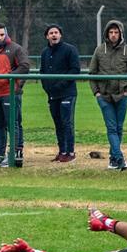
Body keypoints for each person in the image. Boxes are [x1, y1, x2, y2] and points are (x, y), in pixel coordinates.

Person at [88, 19, 127, 171]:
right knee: (111, 128)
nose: (114, 35)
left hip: (122, 96)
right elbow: (92, 73)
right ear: (106, 34)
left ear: (121, 33)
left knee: (118, 128)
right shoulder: (99, 50)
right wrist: (96, 93)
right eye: (111, 32)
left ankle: (113, 159)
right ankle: (119, 159)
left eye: (116, 32)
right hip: (104, 97)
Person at [0, 25, 30, 168]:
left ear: (6, 34)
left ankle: (14, 153)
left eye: (1, 35)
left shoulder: (16, 49)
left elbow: (24, 66)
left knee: (13, 124)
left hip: (9, 93)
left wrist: (13, 81)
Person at [39, 24, 81, 163]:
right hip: (52, 95)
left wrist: (60, 85)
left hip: (67, 93)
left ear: (60, 35)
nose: (54, 35)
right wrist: (47, 87)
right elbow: (42, 72)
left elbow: (75, 70)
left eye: (56, 32)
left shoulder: (70, 50)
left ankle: (70, 152)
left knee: (66, 122)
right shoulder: (45, 52)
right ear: (47, 36)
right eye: (51, 33)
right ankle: (62, 151)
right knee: (57, 123)